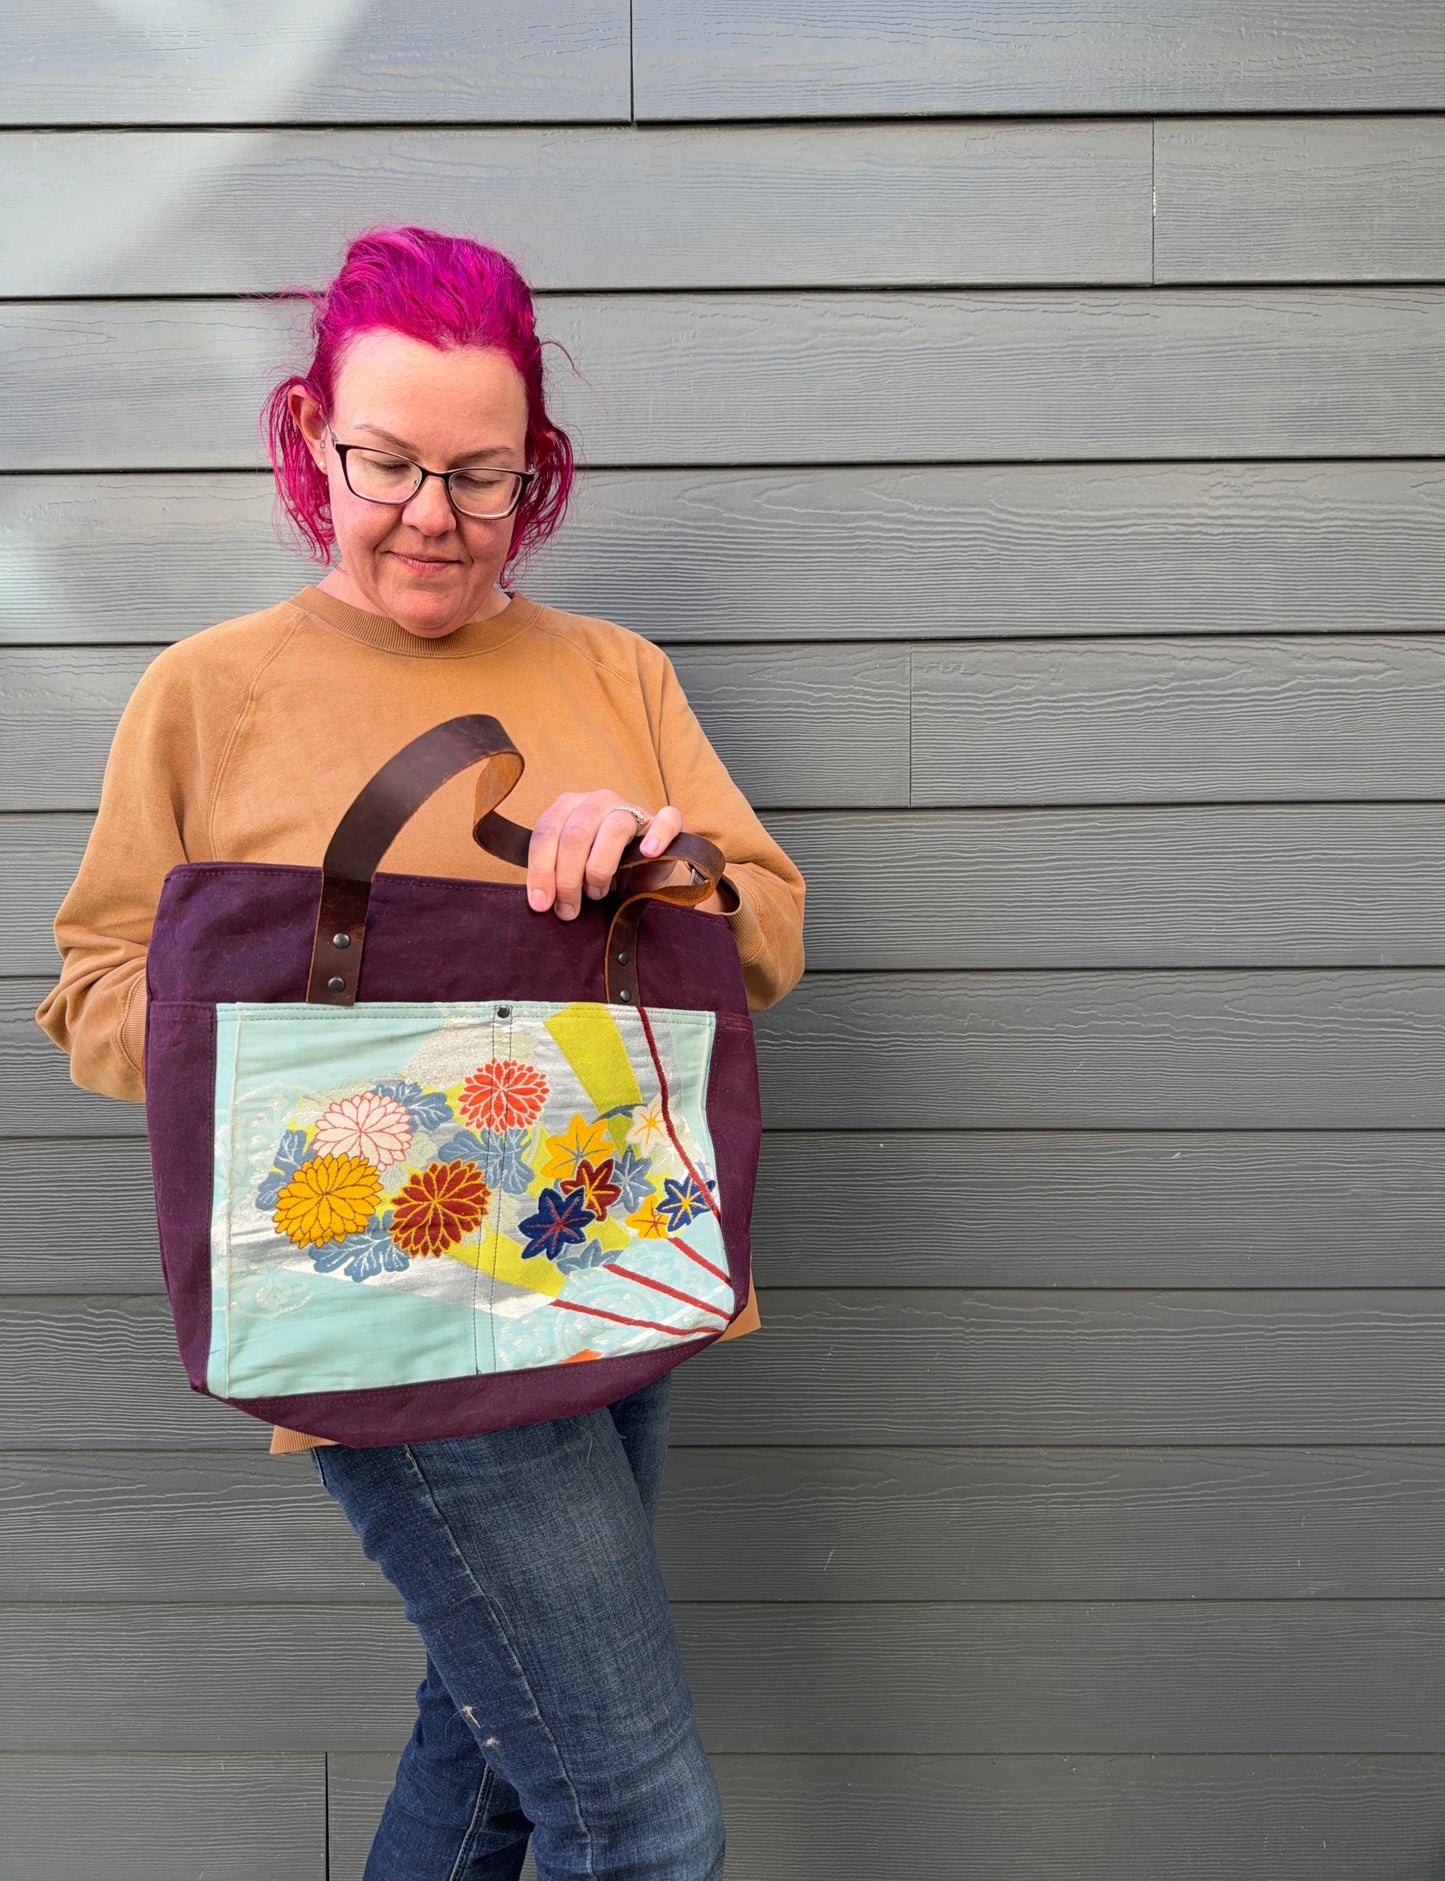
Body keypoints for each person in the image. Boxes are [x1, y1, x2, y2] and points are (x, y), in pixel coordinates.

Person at [36, 225, 806, 1880]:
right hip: (383, 1304)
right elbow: (95, 988)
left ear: (536, 469)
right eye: (387, 464)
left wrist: (657, 861)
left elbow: (767, 935)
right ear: (312, 434)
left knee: (494, 1757)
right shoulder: (207, 692)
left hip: (608, 1256)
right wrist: (318, 1035)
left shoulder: (615, 673)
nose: (433, 516)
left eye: (480, 476)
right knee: (640, 1820)